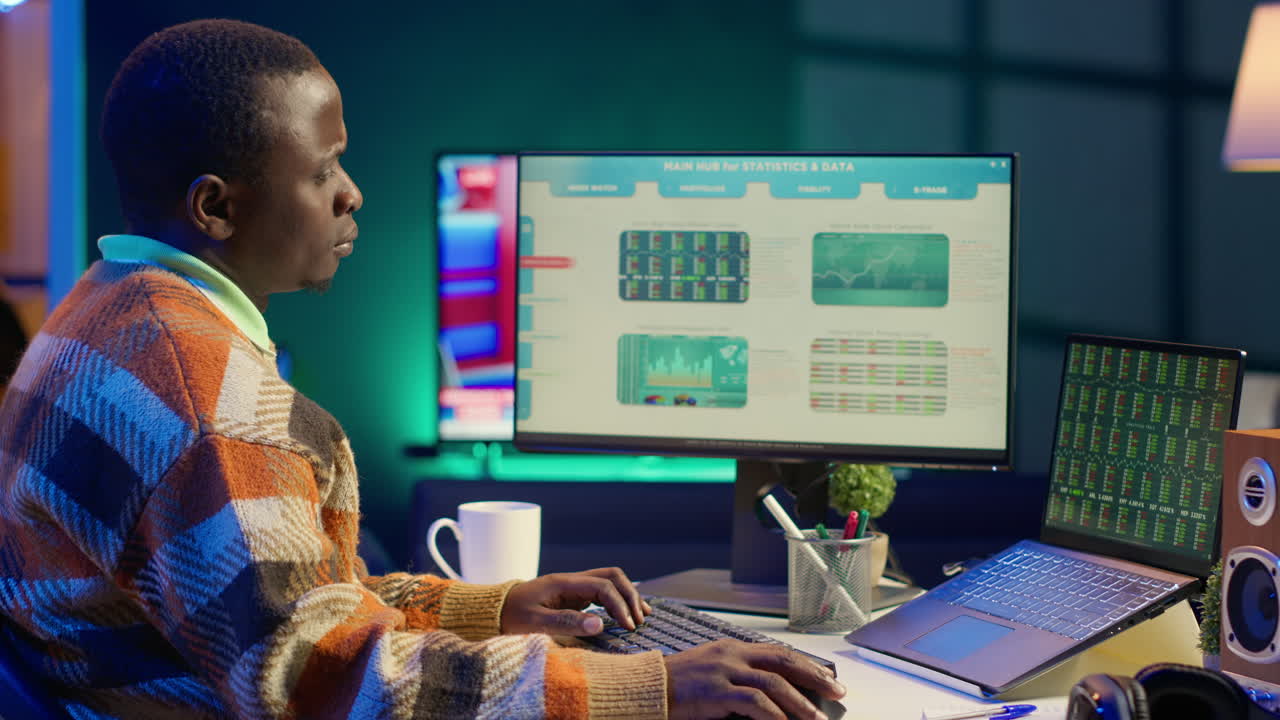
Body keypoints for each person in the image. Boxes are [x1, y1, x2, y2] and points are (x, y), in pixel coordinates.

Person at [0, 18, 845, 720]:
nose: (352, 193)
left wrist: (494, 607)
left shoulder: (102, 307)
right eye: (323, 169)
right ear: (216, 206)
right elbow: (325, 681)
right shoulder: (207, 401)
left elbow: (301, 603)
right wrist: (654, 686)